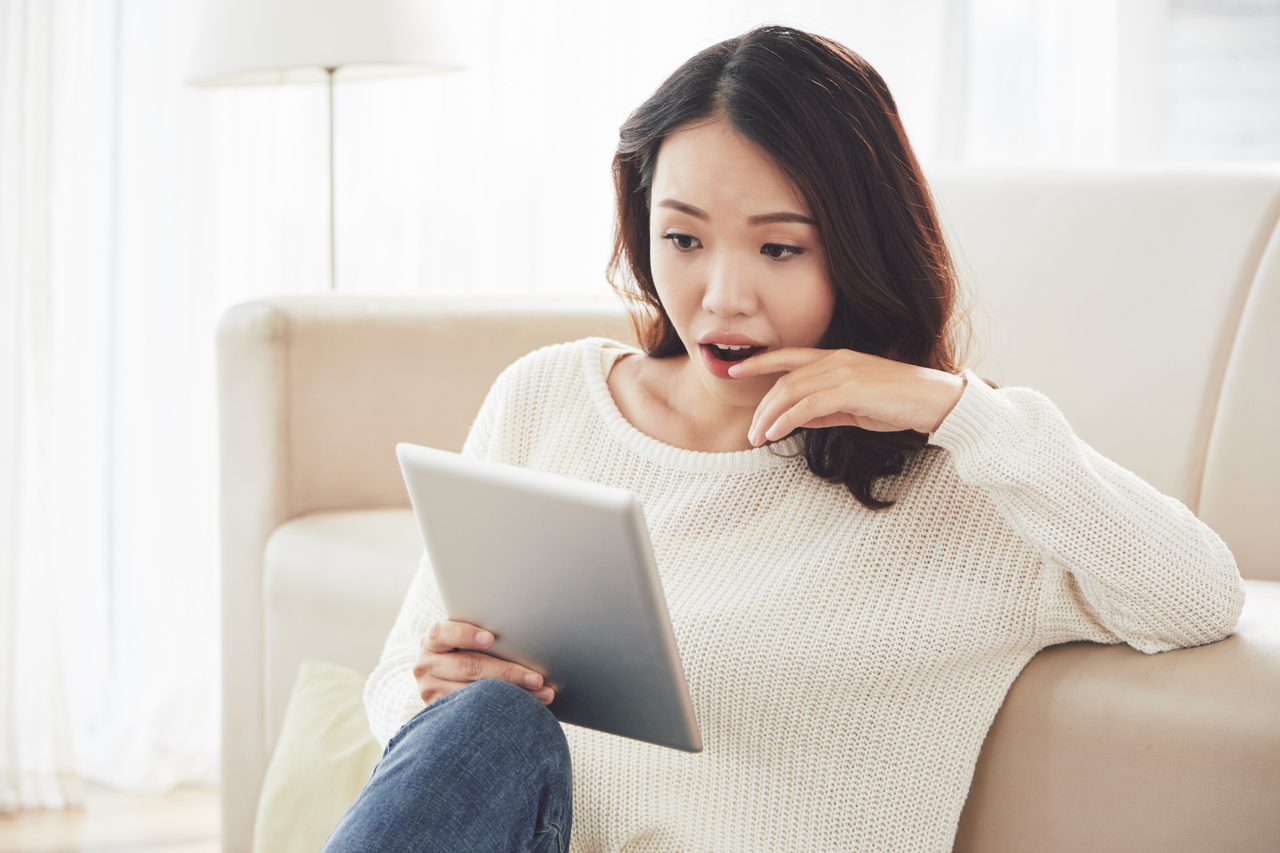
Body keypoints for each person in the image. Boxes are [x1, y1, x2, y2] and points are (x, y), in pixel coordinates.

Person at [322, 25, 1243, 853]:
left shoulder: (964, 478)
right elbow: (398, 696)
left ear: (861, 247)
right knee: (486, 724)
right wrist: (439, 689)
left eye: (778, 249)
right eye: (684, 240)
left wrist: (957, 408)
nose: (722, 296)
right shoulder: (549, 398)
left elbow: (1195, 592)